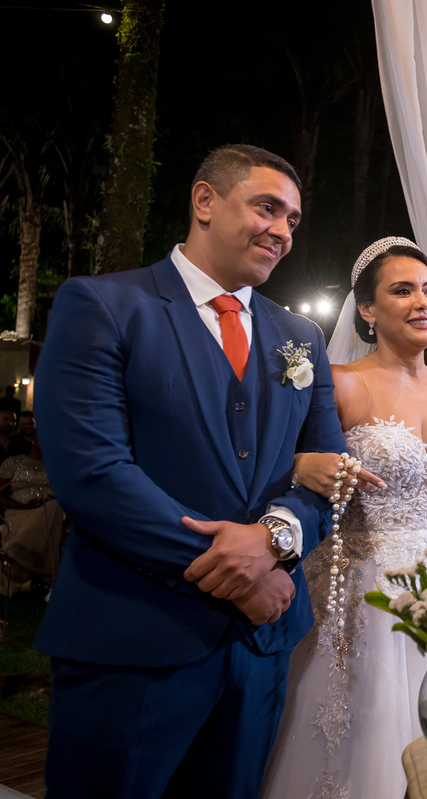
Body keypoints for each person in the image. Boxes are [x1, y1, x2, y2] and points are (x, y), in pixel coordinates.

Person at [34, 144, 345, 799]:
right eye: (267, 208)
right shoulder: (105, 306)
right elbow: (93, 474)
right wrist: (238, 573)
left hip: (260, 645)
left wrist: (277, 537)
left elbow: (327, 474)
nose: (283, 232)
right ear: (205, 200)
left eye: (292, 220)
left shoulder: (301, 338)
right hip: (133, 638)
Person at [260, 237, 427, 799]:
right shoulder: (342, 383)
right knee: (370, 747)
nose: (422, 303)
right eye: (402, 291)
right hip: (369, 597)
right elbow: (275, 466)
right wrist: (300, 464)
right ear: (366, 308)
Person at [0, 428, 65, 595]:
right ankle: (37, 578)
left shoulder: (56, 467)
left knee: (54, 507)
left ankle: (32, 578)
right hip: (19, 513)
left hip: (50, 515)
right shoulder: (13, 463)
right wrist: (26, 506)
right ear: (33, 439)